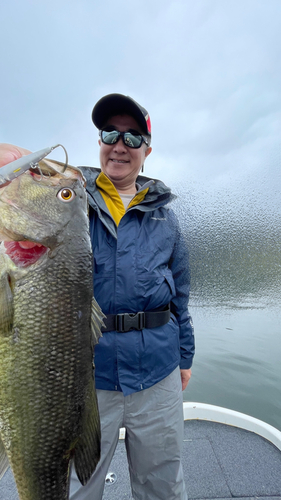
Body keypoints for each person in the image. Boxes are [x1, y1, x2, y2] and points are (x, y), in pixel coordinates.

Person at [0, 93, 195, 500]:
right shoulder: (68, 193)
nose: (120, 144)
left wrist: (185, 358)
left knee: (162, 482)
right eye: (110, 133)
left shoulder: (166, 216)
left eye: (133, 137)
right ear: (99, 142)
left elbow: (181, 295)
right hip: (88, 374)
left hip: (158, 368)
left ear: (147, 151)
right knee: (78, 484)